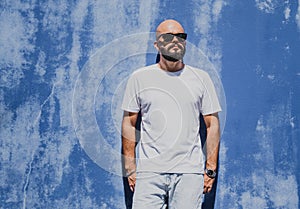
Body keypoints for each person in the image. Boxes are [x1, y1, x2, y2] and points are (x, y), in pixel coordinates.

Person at [121, 19, 222, 209]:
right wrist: (129, 167)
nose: (175, 40)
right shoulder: (140, 78)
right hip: (149, 172)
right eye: (168, 37)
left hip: (189, 173)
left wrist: (210, 170)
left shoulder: (201, 78)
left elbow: (212, 124)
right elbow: (129, 122)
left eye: (180, 36)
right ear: (157, 44)